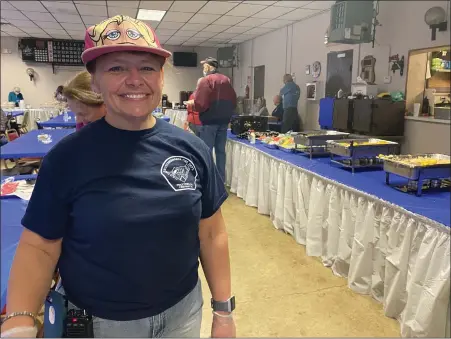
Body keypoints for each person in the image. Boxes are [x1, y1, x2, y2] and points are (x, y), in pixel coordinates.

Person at [1, 15, 235, 339]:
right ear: (94, 82)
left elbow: (211, 234)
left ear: (161, 78)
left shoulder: (191, 149)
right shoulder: (66, 159)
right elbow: (40, 245)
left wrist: (223, 312)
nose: (135, 79)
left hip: (183, 314)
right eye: (117, 68)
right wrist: (20, 318)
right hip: (101, 325)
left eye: (147, 67)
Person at [190, 57, 237, 182]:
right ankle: (221, 180)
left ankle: (208, 180)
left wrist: (193, 104)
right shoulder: (226, 80)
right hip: (224, 121)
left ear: (209, 67)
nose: (203, 68)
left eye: (204, 66)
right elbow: (233, 100)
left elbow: (201, 102)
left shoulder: (206, 80)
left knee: (207, 151)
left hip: (210, 121)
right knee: (221, 152)